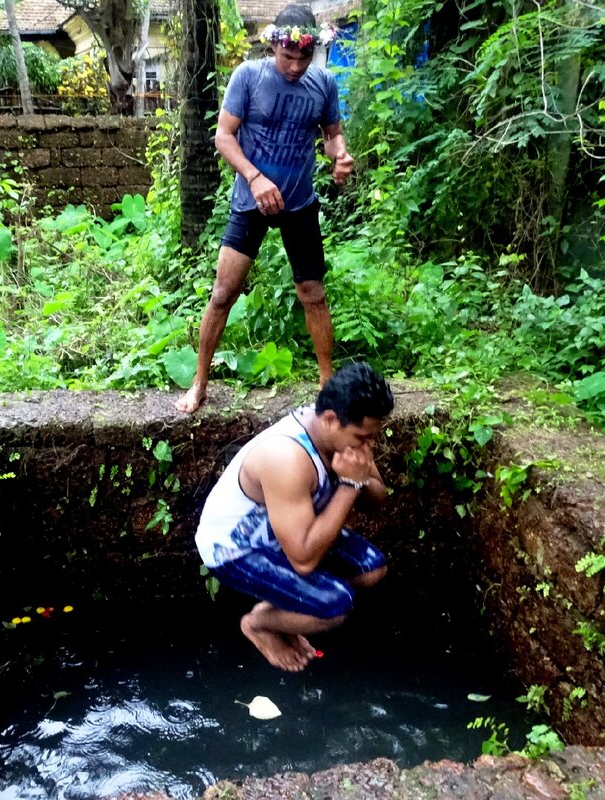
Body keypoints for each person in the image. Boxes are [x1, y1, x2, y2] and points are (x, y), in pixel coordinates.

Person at [176, 4, 354, 414]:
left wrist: (340, 155)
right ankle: (200, 381)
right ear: (273, 45)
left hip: (299, 202)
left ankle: (327, 386)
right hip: (250, 201)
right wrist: (255, 178)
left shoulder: (323, 83)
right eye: (287, 56)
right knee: (223, 293)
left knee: (313, 294)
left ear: (314, 52)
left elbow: (332, 135)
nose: (294, 66)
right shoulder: (248, 77)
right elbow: (224, 137)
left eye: (303, 58)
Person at [195, 362, 393, 671]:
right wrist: (350, 485)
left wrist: (359, 477)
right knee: (334, 606)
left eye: (372, 438)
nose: (368, 447)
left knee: (372, 569)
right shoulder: (286, 458)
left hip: (291, 530)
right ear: (330, 419)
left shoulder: (347, 439)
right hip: (237, 547)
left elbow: (378, 499)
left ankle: (291, 606)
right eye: (361, 438)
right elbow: (303, 559)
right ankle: (260, 624)